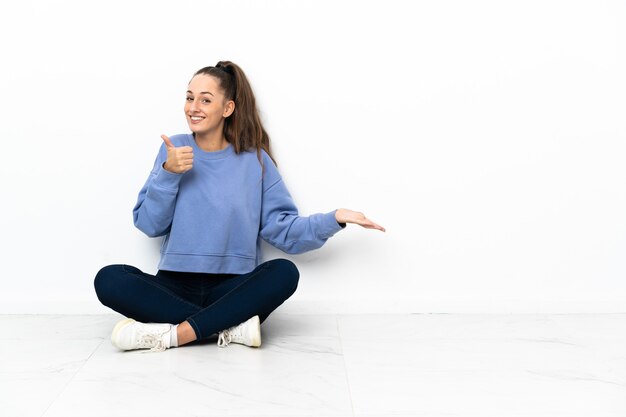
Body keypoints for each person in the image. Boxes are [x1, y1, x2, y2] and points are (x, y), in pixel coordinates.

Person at [94, 61, 385, 353]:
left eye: (205, 100)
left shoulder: (254, 160)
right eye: (189, 97)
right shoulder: (174, 150)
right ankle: (229, 326)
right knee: (109, 279)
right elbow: (149, 225)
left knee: (284, 273)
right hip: (174, 284)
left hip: (232, 288)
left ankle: (174, 335)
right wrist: (168, 174)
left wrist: (334, 219)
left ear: (228, 108)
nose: (193, 107)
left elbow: (283, 230)